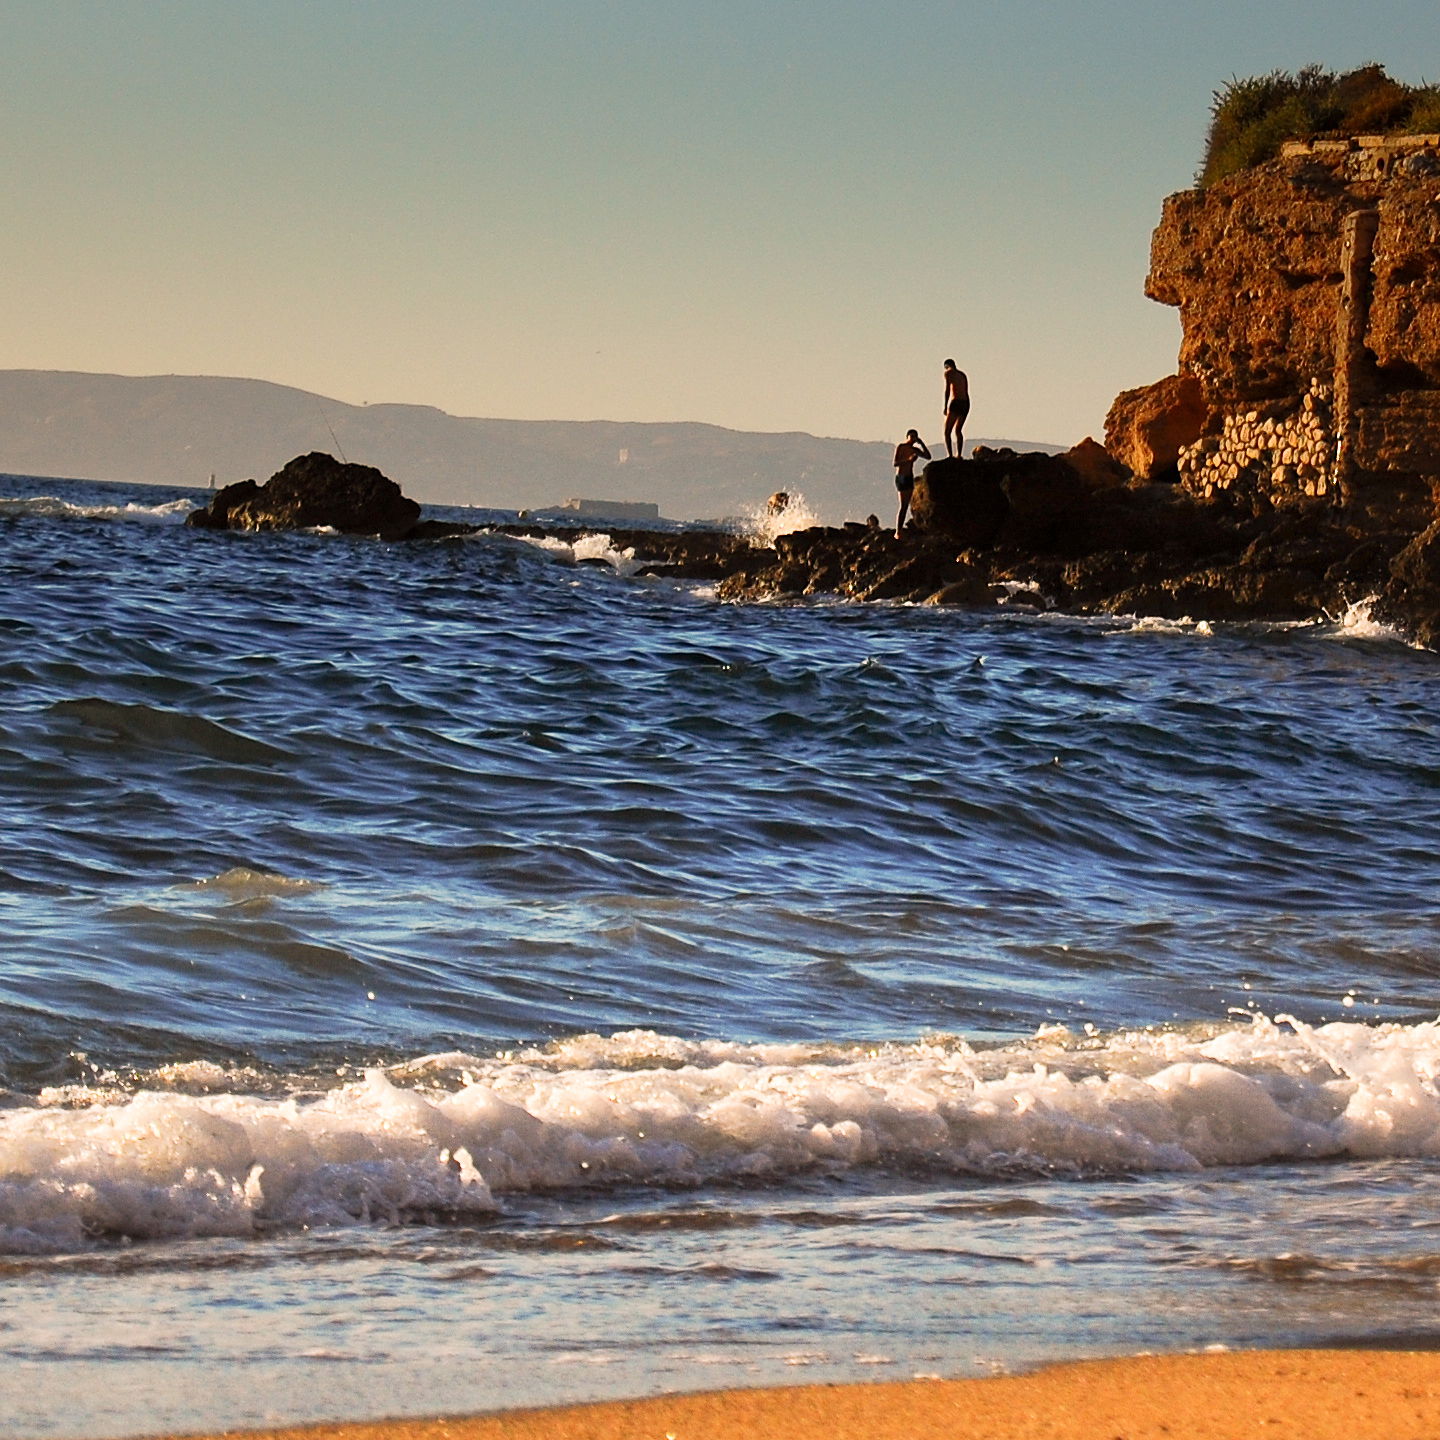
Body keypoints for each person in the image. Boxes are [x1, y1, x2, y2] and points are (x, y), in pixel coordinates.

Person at [892, 428, 931, 537]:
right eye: (912, 436)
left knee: (907, 505)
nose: (913, 439)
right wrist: (908, 460)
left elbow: (928, 456)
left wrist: (922, 443)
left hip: (909, 477)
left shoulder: (915, 450)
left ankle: (902, 530)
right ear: (907, 436)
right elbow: (895, 463)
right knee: (903, 505)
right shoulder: (901, 447)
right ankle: (898, 531)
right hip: (901, 477)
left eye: (915, 437)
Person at [942, 358, 970, 458]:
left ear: (947, 366)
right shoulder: (963, 375)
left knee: (947, 431)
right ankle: (959, 454)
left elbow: (947, 390)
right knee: (958, 430)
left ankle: (950, 455)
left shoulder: (948, 373)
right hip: (966, 403)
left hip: (956, 402)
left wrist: (945, 406)